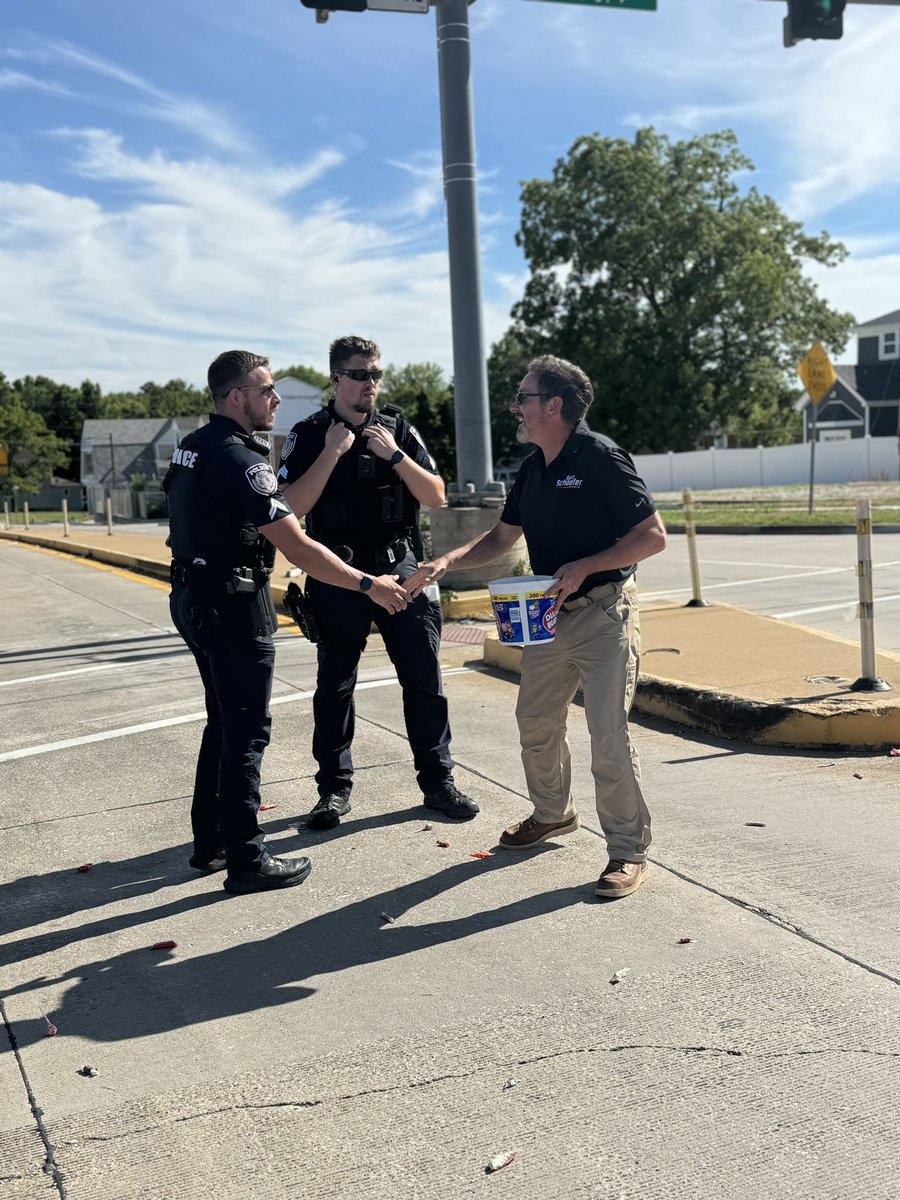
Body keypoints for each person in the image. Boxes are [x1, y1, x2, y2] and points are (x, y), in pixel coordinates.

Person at [406, 355, 666, 900]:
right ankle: (553, 814)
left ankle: (627, 851)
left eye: (523, 398)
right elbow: (503, 538)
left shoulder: (600, 458)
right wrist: (447, 561)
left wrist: (587, 565)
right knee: (535, 722)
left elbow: (652, 536)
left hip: (602, 612)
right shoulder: (532, 468)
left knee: (608, 737)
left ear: (554, 405)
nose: (515, 408)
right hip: (549, 616)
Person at [164, 350, 409, 895]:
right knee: (247, 731)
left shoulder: (192, 447)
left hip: (193, 597)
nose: (275, 398)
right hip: (231, 606)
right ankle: (246, 860)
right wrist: (369, 584)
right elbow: (298, 545)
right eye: (265, 389)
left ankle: (211, 843)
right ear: (236, 398)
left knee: (222, 724)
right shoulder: (238, 459)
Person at [277, 335, 479, 830]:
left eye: (376, 374)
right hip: (339, 574)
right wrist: (331, 452)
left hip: (400, 569)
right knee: (335, 686)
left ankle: (438, 783)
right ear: (336, 379)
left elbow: (436, 496)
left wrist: (394, 456)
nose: (371, 383)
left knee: (423, 680)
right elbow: (291, 508)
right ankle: (333, 790)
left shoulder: (398, 430)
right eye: (360, 374)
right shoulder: (309, 433)